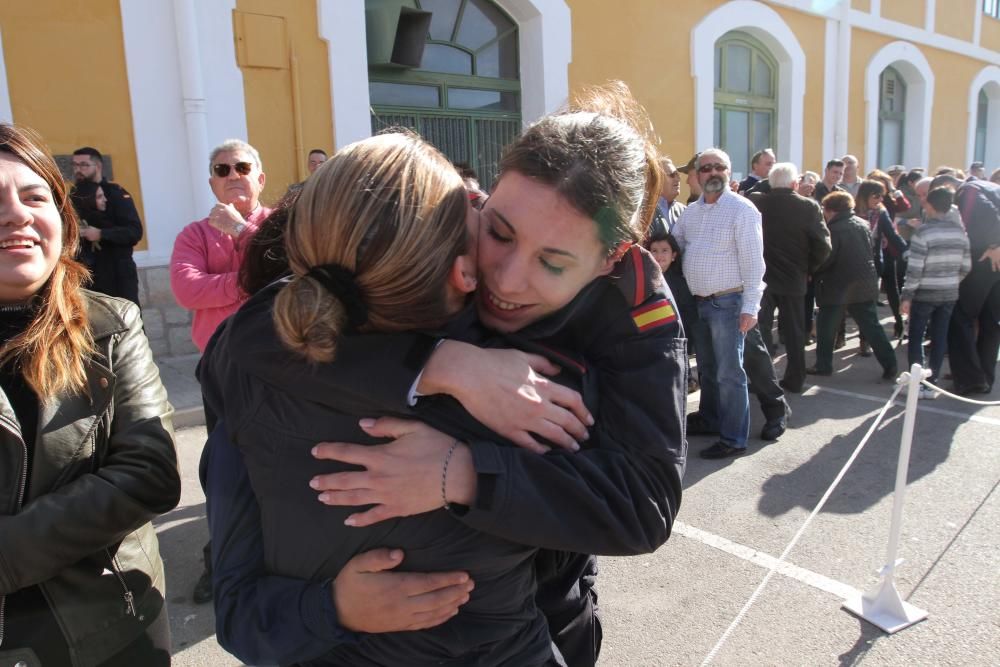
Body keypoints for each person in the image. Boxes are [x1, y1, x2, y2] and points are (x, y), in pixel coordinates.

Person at [202, 86, 686, 666]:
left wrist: (464, 473)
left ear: (612, 259)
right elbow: (267, 325)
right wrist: (443, 366)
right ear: (485, 196)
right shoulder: (437, 227)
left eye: (553, 264)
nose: (505, 280)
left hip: (552, 616)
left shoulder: (636, 320)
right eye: (499, 233)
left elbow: (642, 506)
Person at [0, 124, 180, 666]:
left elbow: (149, 474)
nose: (15, 215)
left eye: (34, 197)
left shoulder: (109, 324)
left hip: (106, 625)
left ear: (62, 216)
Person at [170, 138, 272, 604]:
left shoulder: (277, 227)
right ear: (212, 180)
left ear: (260, 177)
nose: (233, 175)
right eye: (222, 168)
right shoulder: (193, 234)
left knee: (277, 461)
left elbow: (288, 274)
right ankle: (224, 559)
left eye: (242, 166)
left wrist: (241, 232)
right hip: (220, 368)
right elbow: (188, 290)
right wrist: (247, 283)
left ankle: (280, 552)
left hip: (277, 365)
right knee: (226, 468)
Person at [673, 148, 765, 459]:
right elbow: (676, 245)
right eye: (706, 168)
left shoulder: (742, 210)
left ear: (729, 173)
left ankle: (734, 438)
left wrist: (751, 306)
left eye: (719, 167)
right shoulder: (691, 213)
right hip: (699, 303)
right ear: (697, 176)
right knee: (710, 370)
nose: (712, 173)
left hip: (729, 303)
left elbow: (754, 263)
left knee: (729, 373)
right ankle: (711, 420)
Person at [750, 162, 831, 393]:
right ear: (795, 184)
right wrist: (809, 268)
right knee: (795, 332)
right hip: (794, 277)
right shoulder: (808, 207)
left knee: (761, 328)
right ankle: (795, 379)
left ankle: (761, 379)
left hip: (761, 276)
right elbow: (823, 246)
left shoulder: (757, 202)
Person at [808, 191, 898, 380]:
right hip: (864, 282)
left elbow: (828, 258)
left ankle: (823, 365)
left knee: (826, 326)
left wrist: (813, 271)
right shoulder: (862, 224)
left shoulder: (834, 229)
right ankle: (891, 364)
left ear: (831, 210)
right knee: (872, 326)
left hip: (838, 285)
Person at [899, 186, 971, 399]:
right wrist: (950, 281)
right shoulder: (960, 233)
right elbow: (966, 267)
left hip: (924, 292)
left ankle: (916, 384)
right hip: (949, 292)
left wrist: (907, 295)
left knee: (916, 337)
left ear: (930, 205)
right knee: (940, 337)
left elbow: (915, 269)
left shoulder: (924, 232)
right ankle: (932, 384)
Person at [945, 174, 1000, 395]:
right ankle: (984, 376)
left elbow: (967, 225)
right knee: (991, 321)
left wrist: (995, 243)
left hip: (983, 259)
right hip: (993, 259)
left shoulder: (969, 191)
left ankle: (970, 379)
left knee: (960, 316)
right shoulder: (992, 189)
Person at [68, 147, 143, 304]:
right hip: (88, 274)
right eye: (75, 165)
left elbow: (134, 232)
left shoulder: (115, 194)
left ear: (98, 167)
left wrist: (102, 234)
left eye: (83, 165)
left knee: (127, 323)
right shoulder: (72, 197)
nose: (78, 170)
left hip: (118, 273)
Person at [855, 179, 908, 342]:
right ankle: (842, 335)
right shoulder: (852, 210)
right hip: (855, 263)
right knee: (857, 302)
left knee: (870, 301)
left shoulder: (881, 212)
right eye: (876, 196)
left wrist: (907, 251)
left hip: (875, 262)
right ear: (865, 196)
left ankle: (866, 340)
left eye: (881, 197)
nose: (879, 200)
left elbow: (893, 235)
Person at [648, 156, 685, 236]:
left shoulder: (684, 210)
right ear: (657, 179)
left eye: (677, 174)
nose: (678, 179)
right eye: (672, 175)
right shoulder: (645, 211)